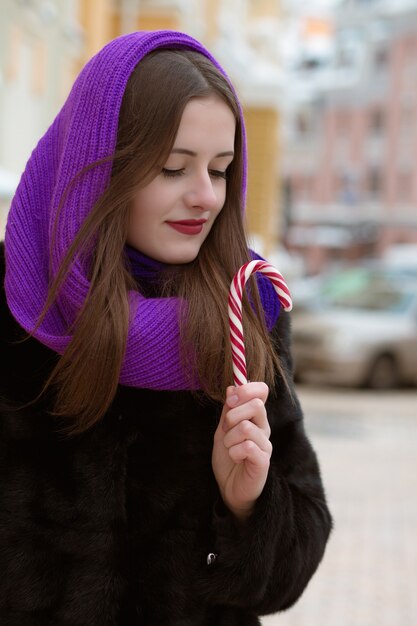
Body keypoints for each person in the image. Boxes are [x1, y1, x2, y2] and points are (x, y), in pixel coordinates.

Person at [0, 30, 332, 626]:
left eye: (221, 169)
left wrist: (248, 503)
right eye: (174, 167)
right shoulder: (8, 303)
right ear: (101, 164)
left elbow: (293, 563)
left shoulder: (243, 311)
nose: (205, 196)